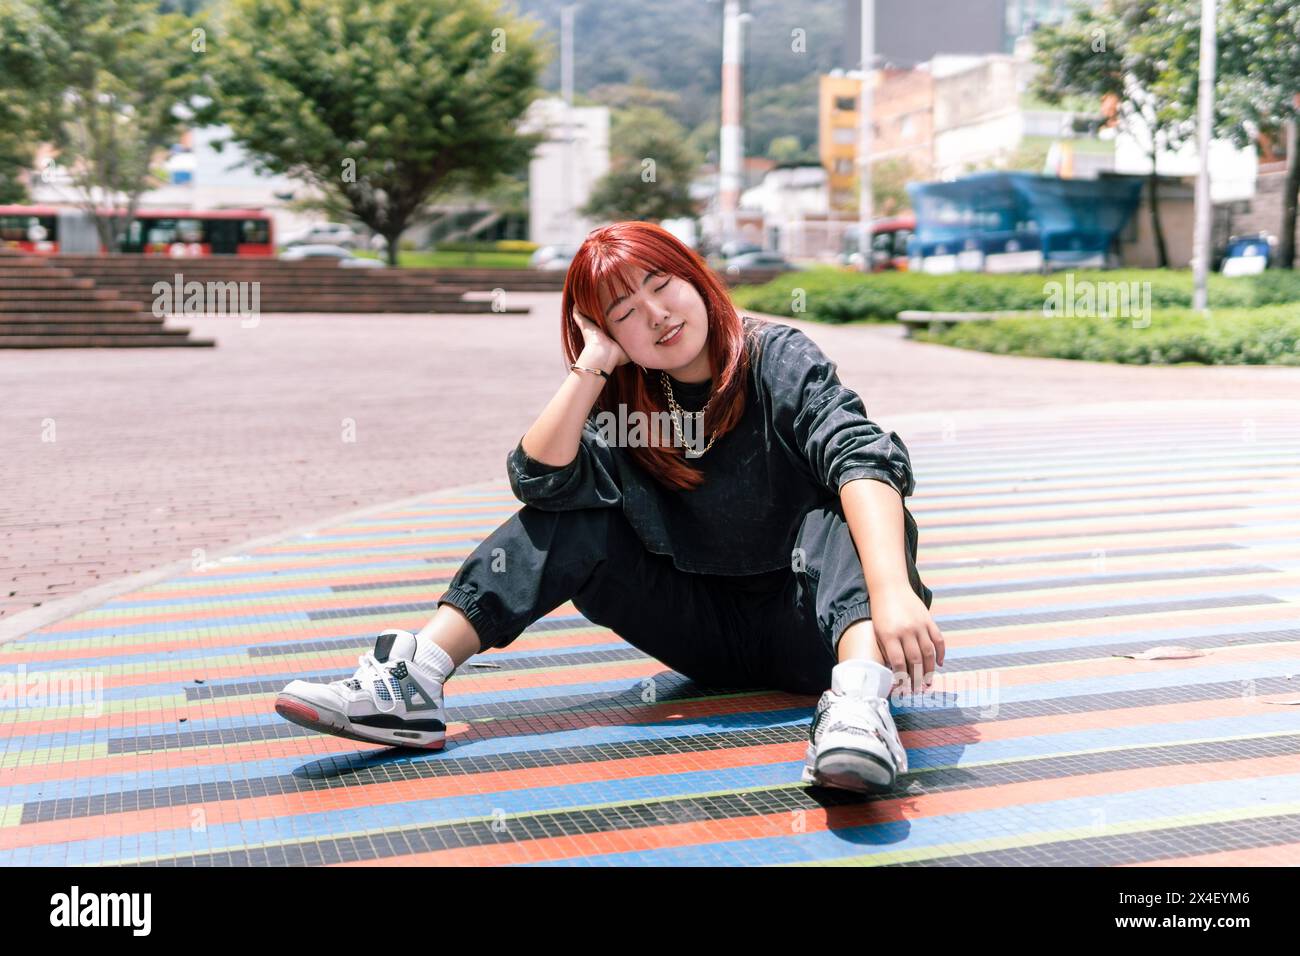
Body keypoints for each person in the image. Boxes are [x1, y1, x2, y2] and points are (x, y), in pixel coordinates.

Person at [275, 221, 944, 794]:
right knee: (577, 511)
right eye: (623, 311)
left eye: (662, 284)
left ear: (695, 277)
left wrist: (891, 594)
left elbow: (861, 455)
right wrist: (591, 365)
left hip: (818, 633)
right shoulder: (625, 400)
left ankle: (859, 708)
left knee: (844, 502)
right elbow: (538, 481)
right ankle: (415, 678)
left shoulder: (777, 359)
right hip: (701, 633)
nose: (655, 314)